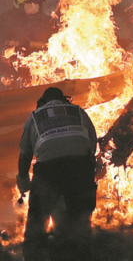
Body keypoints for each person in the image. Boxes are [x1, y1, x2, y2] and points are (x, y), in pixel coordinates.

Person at [16, 87, 97, 261]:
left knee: (37, 221)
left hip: (48, 170)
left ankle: (34, 254)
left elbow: (25, 155)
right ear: (64, 100)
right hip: (80, 168)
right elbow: (91, 145)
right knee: (80, 221)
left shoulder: (35, 116)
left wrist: (23, 178)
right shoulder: (78, 111)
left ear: (42, 103)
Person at [0, 0, 58, 88]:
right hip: (10, 82)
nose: (34, 6)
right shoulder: (5, 22)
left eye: (36, 3)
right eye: (29, 3)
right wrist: (8, 50)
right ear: (20, 4)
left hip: (41, 77)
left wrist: (29, 44)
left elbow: (57, 48)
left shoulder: (48, 22)